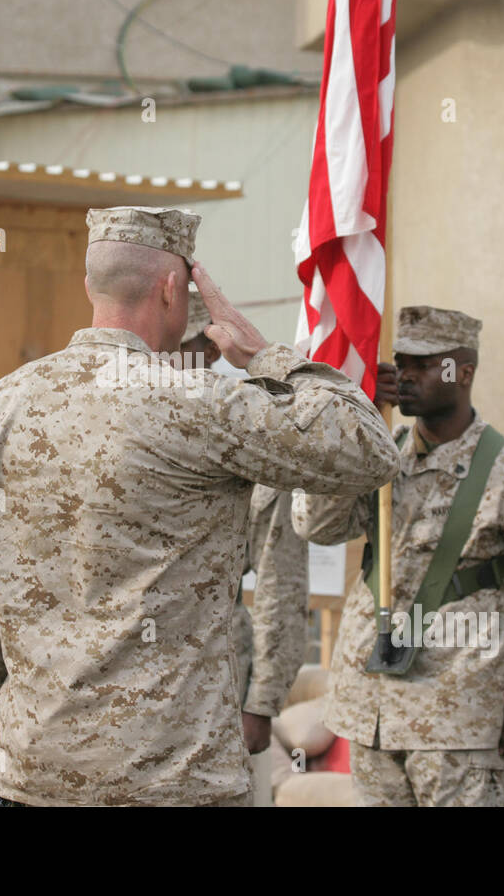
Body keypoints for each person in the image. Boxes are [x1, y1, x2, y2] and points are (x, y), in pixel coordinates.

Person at [0, 206, 399, 806]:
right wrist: (264, 355)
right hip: (172, 783)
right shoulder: (198, 402)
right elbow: (367, 448)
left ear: (89, 286)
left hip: (30, 777)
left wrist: (5, 743)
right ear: (174, 288)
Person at [293, 305, 504, 806]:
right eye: (401, 363)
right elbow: (317, 526)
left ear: (465, 372)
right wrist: (356, 427)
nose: (406, 376)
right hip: (372, 715)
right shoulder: (379, 457)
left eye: (425, 364)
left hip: (459, 723)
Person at [180, 292, 311, 768]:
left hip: (214, 678)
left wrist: (262, 702)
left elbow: (281, 581)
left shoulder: (251, 434)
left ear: (211, 350)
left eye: (178, 345)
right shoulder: (119, 420)